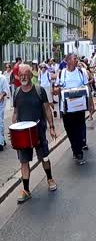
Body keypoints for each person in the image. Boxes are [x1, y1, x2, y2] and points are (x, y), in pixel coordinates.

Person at [13, 64, 57, 203]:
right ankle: (26, 190)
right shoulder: (16, 92)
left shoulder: (39, 90)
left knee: (44, 157)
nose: (23, 77)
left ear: (31, 76)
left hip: (38, 131)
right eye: (21, 75)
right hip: (22, 135)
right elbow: (15, 113)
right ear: (18, 76)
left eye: (26, 74)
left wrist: (51, 127)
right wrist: (12, 130)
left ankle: (49, 178)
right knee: (24, 162)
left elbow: (47, 109)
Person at [53, 54, 92, 164]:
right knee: (69, 130)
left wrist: (90, 104)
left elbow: (87, 87)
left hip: (79, 107)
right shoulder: (62, 73)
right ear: (68, 61)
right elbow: (56, 88)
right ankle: (74, 148)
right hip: (66, 108)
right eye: (75, 58)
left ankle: (79, 152)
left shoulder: (81, 72)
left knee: (79, 129)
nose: (77, 60)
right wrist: (56, 90)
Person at [0, 70, 10, 150]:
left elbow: (5, 91)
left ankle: (0, 143)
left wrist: (1, 96)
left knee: (0, 121)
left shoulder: (2, 78)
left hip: (0, 104)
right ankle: (2, 139)